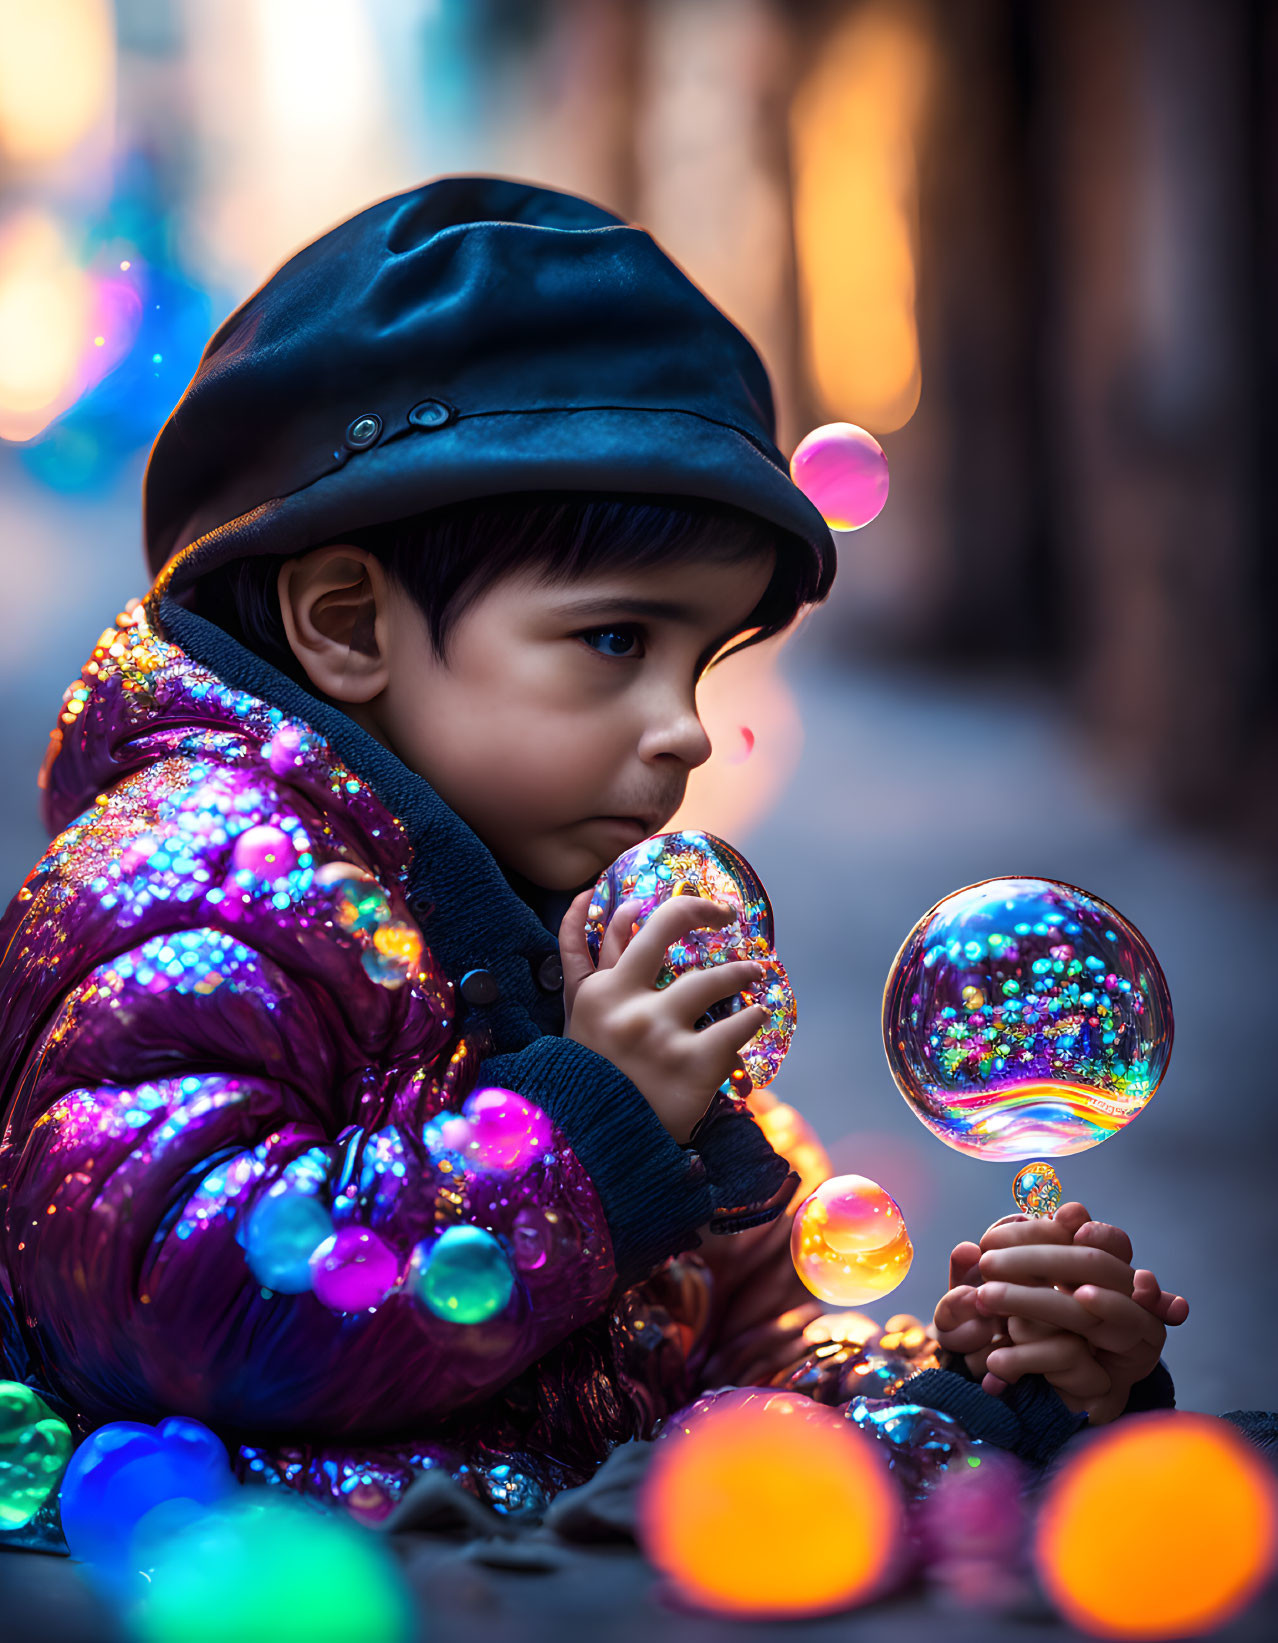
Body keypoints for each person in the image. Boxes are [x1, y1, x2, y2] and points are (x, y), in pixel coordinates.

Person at [0, 177, 1185, 1530]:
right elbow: (180, 1303)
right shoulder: (189, 893)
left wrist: (982, 1396)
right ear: (345, 623)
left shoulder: (583, 939)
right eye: (616, 641)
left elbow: (737, 1355)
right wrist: (580, 1132)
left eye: (705, 658)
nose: (685, 733)